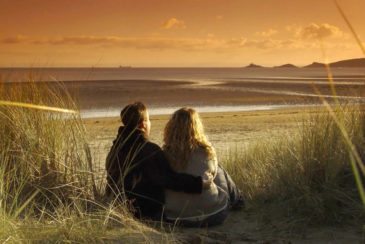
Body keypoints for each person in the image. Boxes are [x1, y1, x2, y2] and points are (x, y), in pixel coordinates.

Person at [105, 102, 211, 220]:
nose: (150, 123)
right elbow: (169, 179)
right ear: (143, 124)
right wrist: (199, 183)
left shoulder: (116, 147)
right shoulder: (149, 150)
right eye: (149, 119)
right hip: (141, 212)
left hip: (115, 205)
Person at [163, 107, 244, 227]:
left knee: (212, 170)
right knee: (219, 169)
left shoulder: (163, 154)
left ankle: (236, 199)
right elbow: (214, 174)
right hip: (213, 215)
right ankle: (237, 200)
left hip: (174, 218)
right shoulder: (206, 151)